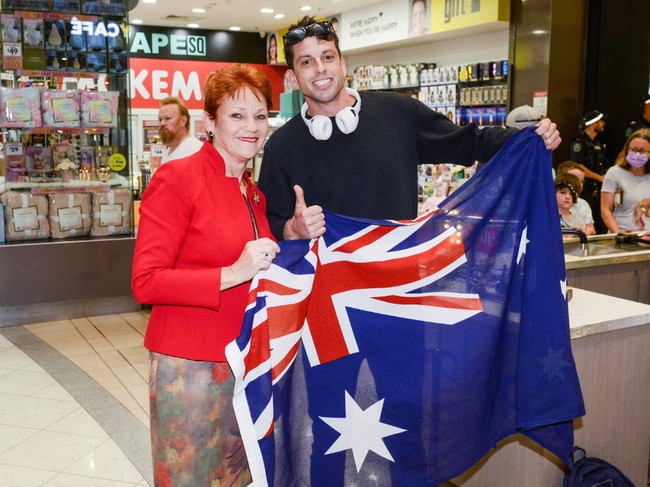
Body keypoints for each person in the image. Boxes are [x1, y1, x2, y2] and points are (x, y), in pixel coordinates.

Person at [258, 16, 561, 242]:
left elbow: (468, 142)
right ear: (294, 78)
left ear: (342, 64)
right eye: (306, 62)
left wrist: (530, 138)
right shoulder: (282, 147)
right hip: (330, 300)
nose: (320, 68)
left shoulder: (398, 113)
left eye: (327, 57)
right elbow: (268, 225)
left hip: (399, 286)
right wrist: (292, 229)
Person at [131, 64, 280, 486]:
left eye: (260, 115)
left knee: (235, 478)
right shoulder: (177, 178)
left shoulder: (253, 193)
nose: (251, 127)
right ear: (209, 122)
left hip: (243, 363)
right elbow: (146, 281)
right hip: (189, 368)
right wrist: (232, 273)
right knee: (191, 478)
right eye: (237, 115)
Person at [601, 128, 650, 233]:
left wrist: (644, 203)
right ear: (627, 149)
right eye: (633, 149)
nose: (637, 154)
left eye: (642, 151)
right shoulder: (614, 173)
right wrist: (619, 234)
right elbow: (606, 209)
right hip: (622, 232)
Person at [569, 109, 610, 233]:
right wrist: (599, 177)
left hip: (598, 190)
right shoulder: (579, 143)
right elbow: (578, 166)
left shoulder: (599, 143)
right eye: (601, 121)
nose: (603, 124)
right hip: (586, 188)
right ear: (594, 123)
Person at [157, 96, 203, 164]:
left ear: (183, 121)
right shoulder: (167, 153)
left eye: (168, 118)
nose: (162, 123)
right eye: (160, 120)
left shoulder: (195, 149)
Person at [556, 160, 595, 232]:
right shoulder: (548, 215)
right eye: (563, 192)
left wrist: (585, 232)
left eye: (581, 181)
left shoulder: (583, 205)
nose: (567, 197)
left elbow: (591, 230)